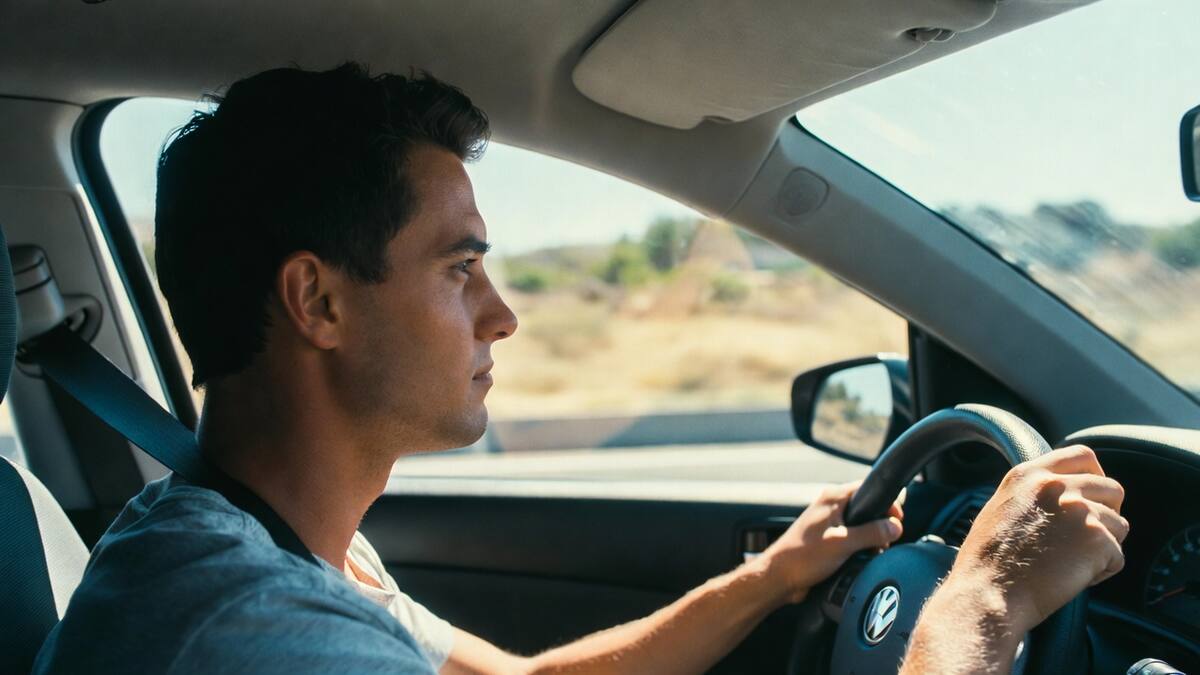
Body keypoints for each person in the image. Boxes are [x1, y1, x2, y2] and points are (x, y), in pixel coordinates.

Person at [33, 63, 1128, 675]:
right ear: (318, 301)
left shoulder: (269, 542)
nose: (501, 316)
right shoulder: (255, 637)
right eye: (459, 269)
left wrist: (770, 577)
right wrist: (981, 603)